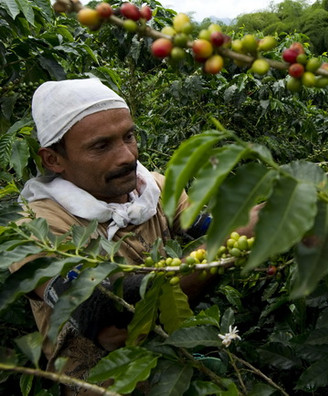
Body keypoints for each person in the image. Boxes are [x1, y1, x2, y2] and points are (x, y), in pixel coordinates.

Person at [11, 78, 257, 395]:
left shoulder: (154, 187)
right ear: (53, 159)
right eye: (101, 146)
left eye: (129, 136)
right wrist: (228, 244)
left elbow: (207, 228)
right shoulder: (35, 227)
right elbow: (100, 306)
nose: (127, 156)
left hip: (180, 363)